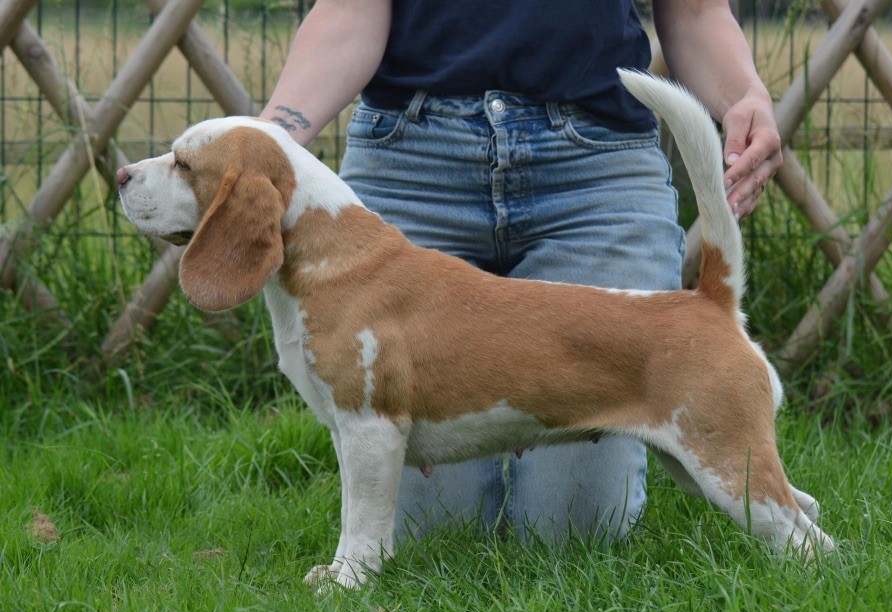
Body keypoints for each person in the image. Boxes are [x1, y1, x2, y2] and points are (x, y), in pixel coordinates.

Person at [260, 0, 783, 543]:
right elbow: (350, 11)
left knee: (574, 534)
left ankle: (786, 514)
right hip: (412, 161)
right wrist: (267, 142)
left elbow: (694, 11)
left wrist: (746, 95)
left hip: (594, 165)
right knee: (437, 536)